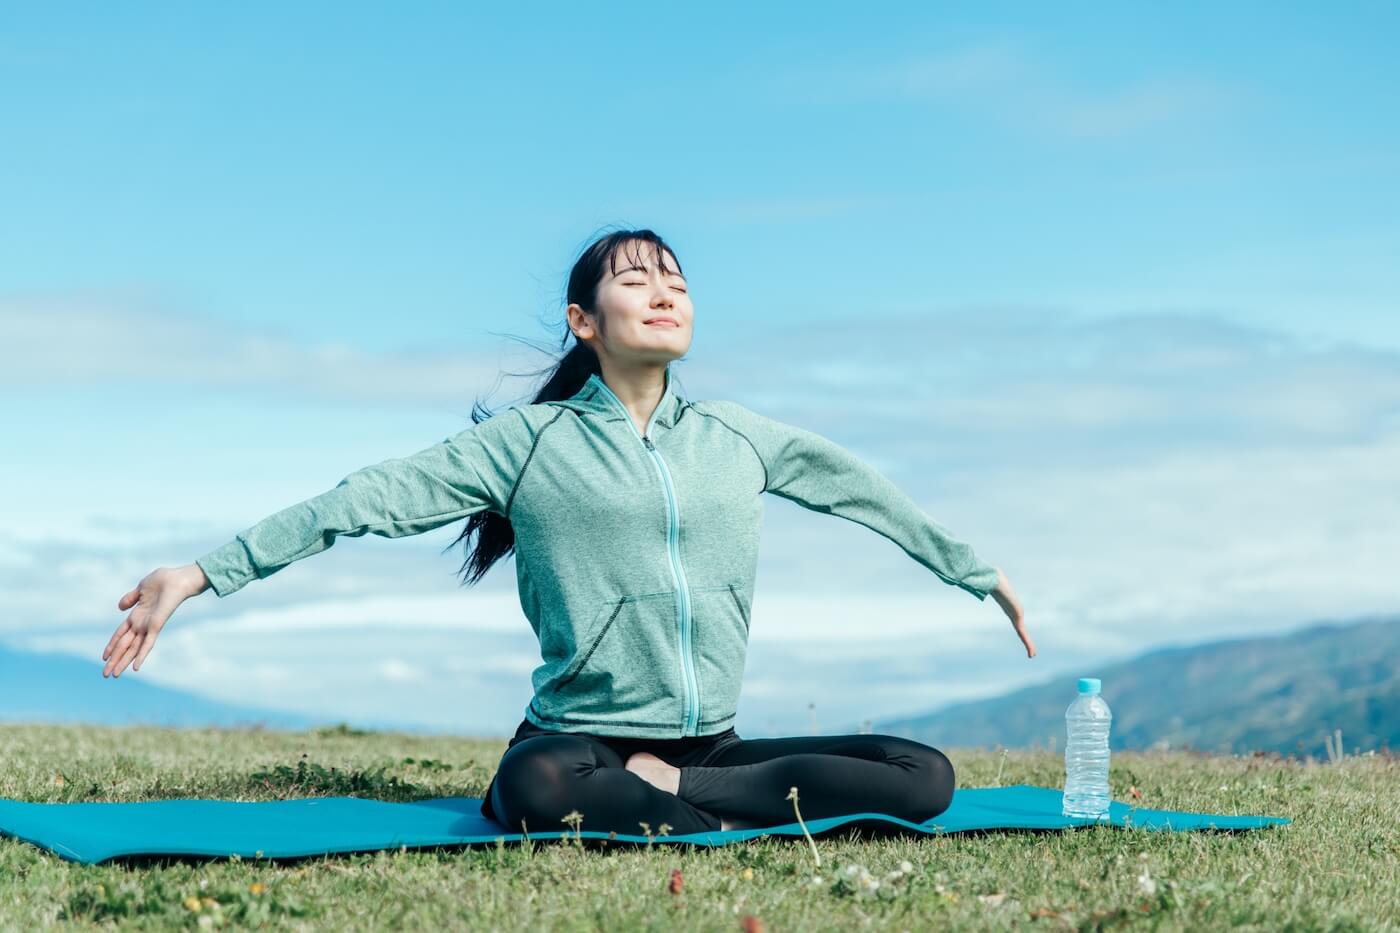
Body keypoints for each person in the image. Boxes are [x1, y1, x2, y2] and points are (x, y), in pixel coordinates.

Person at [100, 227, 1035, 837]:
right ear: (584, 320)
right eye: (638, 280)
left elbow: (862, 491)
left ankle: (672, 798)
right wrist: (201, 572)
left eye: (676, 280)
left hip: (707, 747)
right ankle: (682, 801)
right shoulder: (529, 443)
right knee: (536, 785)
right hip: (577, 744)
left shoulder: (738, 437)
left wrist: (973, 571)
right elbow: (364, 499)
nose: (666, 292)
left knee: (924, 774)